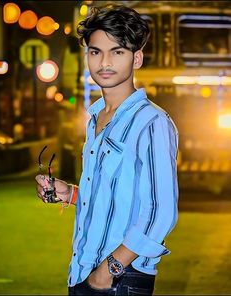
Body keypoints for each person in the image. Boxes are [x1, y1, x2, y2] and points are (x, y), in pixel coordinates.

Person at [36, 4, 179, 296]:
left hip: (121, 279)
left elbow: (161, 212)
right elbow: (116, 195)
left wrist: (111, 268)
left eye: (118, 52)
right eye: (95, 51)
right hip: (82, 269)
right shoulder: (96, 117)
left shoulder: (151, 122)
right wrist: (71, 193)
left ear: (136, 58)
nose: (104, 62)